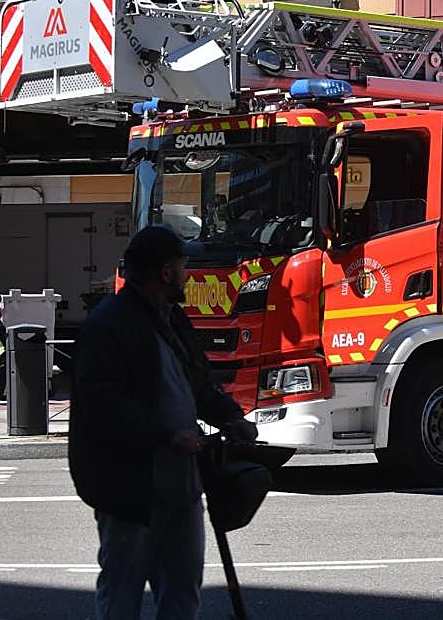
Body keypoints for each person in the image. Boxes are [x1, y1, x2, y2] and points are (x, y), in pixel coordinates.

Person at [69, 225, 257, 620]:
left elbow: (198, 381)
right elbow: (101, 404)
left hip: (182, 486)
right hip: (131, 490)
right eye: (184, 266)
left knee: (183, 590)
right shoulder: (111, 324)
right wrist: (168, 435)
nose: (188, 275)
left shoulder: (171, 318)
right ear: (167, 273)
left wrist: (231, 418)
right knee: (122, 592)